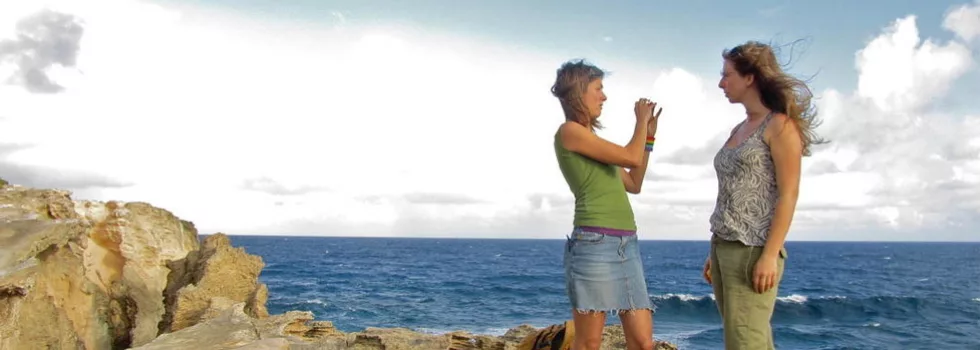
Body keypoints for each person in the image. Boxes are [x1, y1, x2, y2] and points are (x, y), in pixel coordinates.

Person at [702, 40, 826, 349]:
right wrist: (714, 252)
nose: (721, 83)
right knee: (744, 339)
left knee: (746, 342)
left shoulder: (779, 126)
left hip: (753, 250)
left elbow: (789, 194)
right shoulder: (740, 127)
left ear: (750, 77)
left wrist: (770, 255)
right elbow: (732, 194)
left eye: (727, 74)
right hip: (724, 247)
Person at [551, 59, 663, 350]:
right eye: (598, 88)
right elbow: (630, 157)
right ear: (578, 93)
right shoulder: (569, 132)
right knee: (589, 343)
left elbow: (634, 182)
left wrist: (648, 136)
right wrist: (639, 121)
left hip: (627, 244)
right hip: (594, 244)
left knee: (643, 342)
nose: (604, 96)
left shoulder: (594, 141)